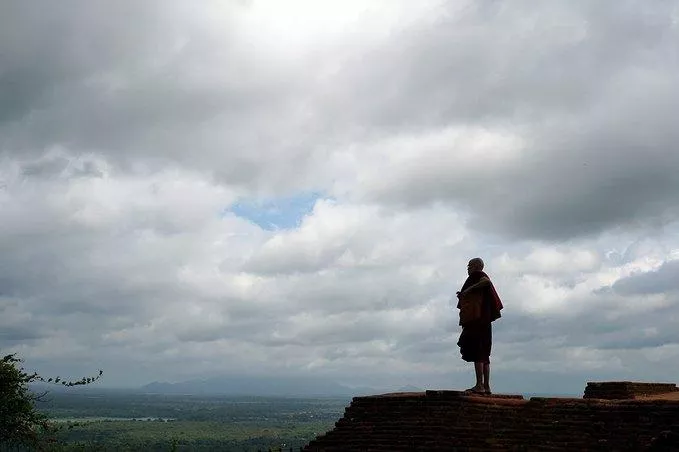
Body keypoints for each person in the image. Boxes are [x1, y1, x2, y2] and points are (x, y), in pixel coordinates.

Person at [456, 257, 503, 394]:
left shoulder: (479, 275)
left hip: (477, 320)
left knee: (478, 351)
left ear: (477, 266)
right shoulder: (477, 277)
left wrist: (467, 291)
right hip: (483, 320)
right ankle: (486, 386)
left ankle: (479, 385)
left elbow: (486, 282)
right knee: (484, 354)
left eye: (470, 265)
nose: (468, 268)